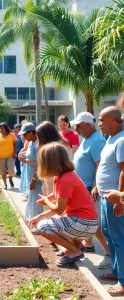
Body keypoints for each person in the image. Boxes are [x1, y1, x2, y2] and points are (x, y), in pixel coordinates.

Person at [29, 142, 99, 266]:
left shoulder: (65, 179)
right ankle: (77, 247)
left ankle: (75, 251)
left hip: (84, 223)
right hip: (86, 222)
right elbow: (57, 199)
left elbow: (59, 209)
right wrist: (39, 215)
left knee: (43, 226)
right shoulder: (62, 176)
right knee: (59, 219)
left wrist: (46, 201)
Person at [71, 112, 111, 269]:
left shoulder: (97, 142)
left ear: (88, 125)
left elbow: (100, 166)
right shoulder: (87, 139)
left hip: (90, 189)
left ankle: (108, 254)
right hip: (83, 188)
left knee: (94, 224)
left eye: (79, 125)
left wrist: (95, 186)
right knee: (87, 221)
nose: (76, 128)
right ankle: (86, 245)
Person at [96, 106, 124, 296]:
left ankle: (123, 281)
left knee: (119, 238)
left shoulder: (121, 140)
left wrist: (120, 199)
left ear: (113, 120)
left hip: (116, 199)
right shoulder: (110, 139)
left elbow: (123, 170)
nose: (99, 124)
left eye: (101, 120)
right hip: (106, 197)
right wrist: (96, 186)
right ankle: (117, 271)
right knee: (108, 234)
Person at [35, 121, 72, 197]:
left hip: (56, 180)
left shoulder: (56, 147)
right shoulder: (60, 144)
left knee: (52, 204)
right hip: (52, 179)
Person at [18, 122, 43, 224]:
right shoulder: (31, 143)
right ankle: (31, 220)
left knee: (36, 201)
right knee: (31, 199)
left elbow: (39, 164)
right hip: (30, 177)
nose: (23, 137)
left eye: (25, 134)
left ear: (31, 133)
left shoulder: (37, 144)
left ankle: (37, 223)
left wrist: (33, 179)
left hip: (35, 179)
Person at [0, 122, 17, 189]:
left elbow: (15, 144)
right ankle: (5, 184)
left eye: (2, 128)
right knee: (3, 171)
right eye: (0, 128)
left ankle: (10, 178)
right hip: (1, 156)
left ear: (6, 128)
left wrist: (14, 154)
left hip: (10, 155)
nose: (1, 129)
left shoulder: (12, 135)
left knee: (11, 170)